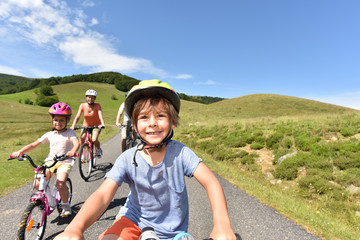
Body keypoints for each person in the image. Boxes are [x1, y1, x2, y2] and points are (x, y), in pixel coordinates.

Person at [54, 80, 236, 240]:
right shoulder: (127, 158)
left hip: (173, 231)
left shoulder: (181, 153)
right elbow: (102, 195)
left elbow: (211, 181)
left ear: (173, 122)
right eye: (144, 117)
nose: (152, 123)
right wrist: (75, 228)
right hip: (132, 221)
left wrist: (222, 225)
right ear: (134, 125)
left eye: (161, 116)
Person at [11, 102, 79, 217]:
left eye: (62, 120)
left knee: (61, 182)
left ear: (67, 120)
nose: (58, 123)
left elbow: (76, 142)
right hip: (50, 161)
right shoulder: (49, 134)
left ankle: (66, 204)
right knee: (38, 183)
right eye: (56, 120)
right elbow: (34, 145)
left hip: (65, 161)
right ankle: (48, 199)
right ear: (52, 120)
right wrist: (20, 152)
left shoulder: (69, 132)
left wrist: (73, 151)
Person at [71, 89, 105, 157]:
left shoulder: (97, 106)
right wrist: (73, 125)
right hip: (86, 126)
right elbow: (77, 116)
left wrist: (102, 124)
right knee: (82, 138)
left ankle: (98, 149)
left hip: (96, 126)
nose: (90, 99)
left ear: (95, 98)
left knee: (94, 139)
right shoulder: (82, 106)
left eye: (92, 97)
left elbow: (100, 115)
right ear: (86, 97)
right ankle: (82, 154)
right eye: (89, 97)